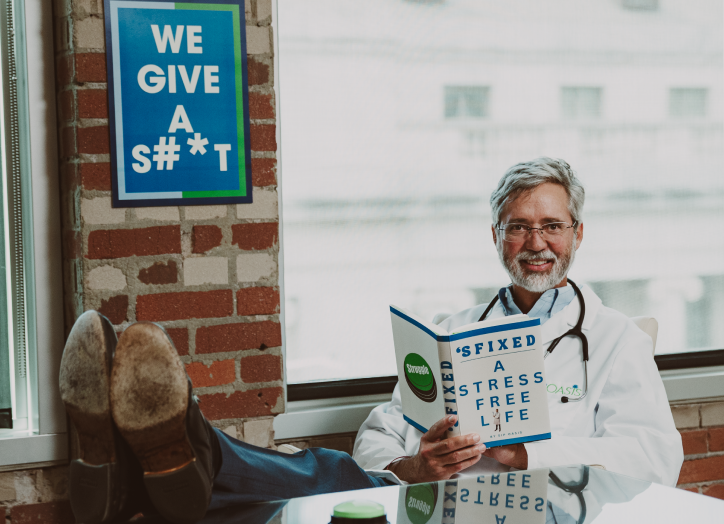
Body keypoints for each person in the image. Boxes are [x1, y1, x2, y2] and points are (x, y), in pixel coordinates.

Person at [353, 157, 683, 485]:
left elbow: (653, 458)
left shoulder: (619, 339)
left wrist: (528, 453)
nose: (536, 243)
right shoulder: (452, 331)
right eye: (518, 227)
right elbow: (378, 436)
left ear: (577, 234)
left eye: (553, 226)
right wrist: (415, 468)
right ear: (496, 237)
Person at [59, 311, 397, 524]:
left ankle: (139, 478)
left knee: (331, 474)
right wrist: (415, 464)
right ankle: (151, 476)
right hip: (395, 490)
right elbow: (384, 433)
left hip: (402, 499)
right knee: (250, 505)